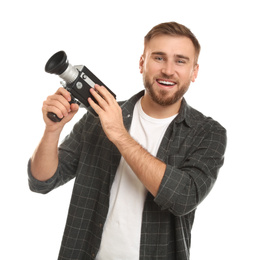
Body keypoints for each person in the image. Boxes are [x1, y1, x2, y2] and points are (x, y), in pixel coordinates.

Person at [28, 22, 227, 260]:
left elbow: (183, 198)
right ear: (142, 63)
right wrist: (52, 131)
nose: (168, 70)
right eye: (159, 58)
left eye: (181, 61)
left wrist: (119, 134)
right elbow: (42, 181)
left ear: (194, 72)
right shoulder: (98, 117)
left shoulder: (208, 133)